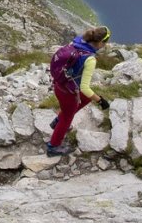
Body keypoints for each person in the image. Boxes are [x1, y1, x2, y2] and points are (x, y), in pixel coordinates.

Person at [46, 26, 111, 157]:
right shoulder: (90, 59)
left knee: (85, 99)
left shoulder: (78, 42)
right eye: (105, 43)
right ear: (100, 43)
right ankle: (53, 147)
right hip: (68, 92)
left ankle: (57, 121)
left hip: (60, 85)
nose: (105, 45)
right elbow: (85, 88)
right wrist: (100, 101)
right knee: (67, 117)